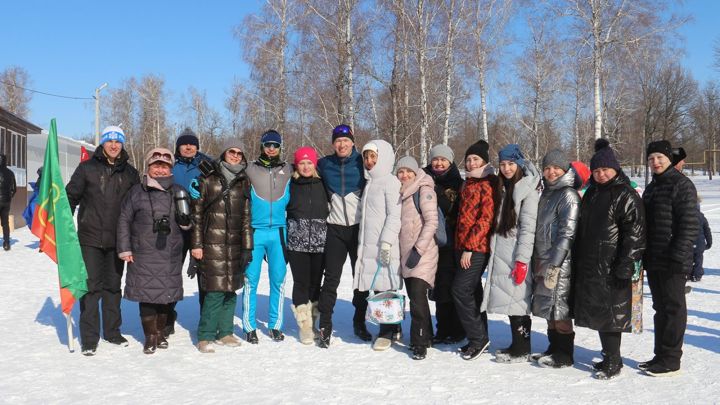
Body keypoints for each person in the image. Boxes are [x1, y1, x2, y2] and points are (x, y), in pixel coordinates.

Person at [573, 139, 646, 379]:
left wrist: (627, 262)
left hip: (614, 263)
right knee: (600, 313)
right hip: (593, 263)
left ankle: (614, 360)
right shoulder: (592, 192)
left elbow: (635, 233)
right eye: (596, 170)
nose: (601, 174)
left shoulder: (625, 194)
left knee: (612, 314)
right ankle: (608, 355)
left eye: (605, 169)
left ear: (615, 169)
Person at [66, 126, 140, 355]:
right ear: (103, 143)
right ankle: (89, 338)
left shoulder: (130, 173)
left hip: (118, 240)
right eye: (110, 141)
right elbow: (70, 197)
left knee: (112, 288)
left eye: (118, 142)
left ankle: (112, 332)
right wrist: (62, 228)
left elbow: (136, 206)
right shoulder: (86, 168)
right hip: (90, 239)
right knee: (90, 288)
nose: (114, 145)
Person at [116, 148, 190, 354]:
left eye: (164, 166)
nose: (160, 169)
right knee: (147, 295)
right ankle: (150, 336)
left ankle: (160, 332)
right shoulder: (137, 192)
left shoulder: (179, 191)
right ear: (148, 167)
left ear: (170, 169)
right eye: (156, 165)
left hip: (170, 253)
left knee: (166, 296)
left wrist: (186, 224)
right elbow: (124, 219)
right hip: (143, 253)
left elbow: (190, 223)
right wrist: (125, 248)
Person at [641, 140, 699, 376]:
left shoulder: (682, 185)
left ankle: (671, 359)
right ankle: (660, 355)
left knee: (673, 308)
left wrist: (678, 255)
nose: (655, 162)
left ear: (670, 159)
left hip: (673, 259)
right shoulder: (652, 187)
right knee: (660, 308)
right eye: (651, 159)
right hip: (654, 257)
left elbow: (689, 224)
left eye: (660, 158)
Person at [191, 141, 253, 353]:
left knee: (231, 291)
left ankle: (225, 332)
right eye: (231, 152)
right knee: (215, 292)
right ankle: (205, 335)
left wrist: (247, 247)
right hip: (212, 244)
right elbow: (197, 215)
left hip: (234, 244)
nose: (235, 156)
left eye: (239, 153)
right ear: (224, 154)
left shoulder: (244, 181)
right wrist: (196, 245)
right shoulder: (208, 178)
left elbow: (246, 217)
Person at [481, 144, 540, 363]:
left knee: (518, 301)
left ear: (520, 164)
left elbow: (528, 228)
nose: (506, 168)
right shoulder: (503, 187)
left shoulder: (528, 190)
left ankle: (522, 347)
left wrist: (522, 260)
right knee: (511, 300)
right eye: (503, 164)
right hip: (502, 252)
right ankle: (517, 344)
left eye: (511, 164)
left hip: (516, 254)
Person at [316, 124, 368, 346]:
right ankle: (325, 325)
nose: (342, 144)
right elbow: (303, 167)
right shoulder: (324, 164)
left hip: (359, 229)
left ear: (353, 142)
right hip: (335, 229)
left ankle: (360, 322)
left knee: (361, 279)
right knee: (331, 279)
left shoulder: (363, 163)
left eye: (346, 140)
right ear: (333, 144)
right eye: (338, 140)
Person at [531, 149, 580, 368]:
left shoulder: (568, 194)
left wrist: (555, 265)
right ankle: (553, 348)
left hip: (559, 263)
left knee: (559, 309)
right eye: (548, 168)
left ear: (565, 170)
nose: (551, 172)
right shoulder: (547, 193)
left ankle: (565, 354)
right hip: (543, 259)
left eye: (556, 168)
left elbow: (567, 233)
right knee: (549, 308)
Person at [243, 130, 293, 343]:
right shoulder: (250, 169)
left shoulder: (289, 169)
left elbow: (315, 175)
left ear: (280, 147)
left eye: (275, 145)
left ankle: (275, 325)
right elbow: (224, 175)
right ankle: (249, 326)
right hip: (256, 231)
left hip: (279, 233)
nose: (271, 148)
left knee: (278, 280)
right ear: (261, 146)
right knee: (250, 280)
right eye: (267, 144)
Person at [354, 139, 402, 351]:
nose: (369, 161)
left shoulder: (390, 182)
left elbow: (395, 215)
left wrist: (386, 243)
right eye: (366, 157)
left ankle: (387, 332)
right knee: (379, 286)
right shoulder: (370, 182)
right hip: (369, 244)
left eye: (373, 156)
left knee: (385, 286)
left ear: (382, 157)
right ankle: (394, 326)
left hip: (384, 245)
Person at [453, 139, 498, 361]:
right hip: (461, 246)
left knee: (460, 290)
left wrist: (470, 248)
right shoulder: (468, 182)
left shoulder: (487, 184)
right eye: (468, 159)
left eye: (476, 159)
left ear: (484, 162)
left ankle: (479, 339)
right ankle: (479, 338)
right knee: (473, 292)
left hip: (476, 248)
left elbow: (485, 219)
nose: (471, 163)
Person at [169, 127, 212, 336]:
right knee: (171, 273)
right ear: (178, 147)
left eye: (192, 144)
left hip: (200, 226)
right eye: (184, 144)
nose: (188, 147)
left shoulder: (205, 165)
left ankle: (206, 320)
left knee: (204, 275)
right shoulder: (170, 164)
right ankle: (167, 316)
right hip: (174, 227)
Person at [396, 156, 439, 360]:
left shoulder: (424, 190)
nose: (404, 175)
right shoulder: (401, 193)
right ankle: (427, 334)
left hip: (423, 253)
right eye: (400, 172)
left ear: (415, 173)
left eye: (408, 172)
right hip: (406, 254)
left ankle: (419, 341)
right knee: (415, 297)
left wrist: (419, 250)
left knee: (417, 298)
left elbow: (432, 222)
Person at [423, 145, 465, 344]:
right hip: (430, 243)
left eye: (443, 160)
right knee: (438, 288)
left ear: (450, 161)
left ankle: (457, 329)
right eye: (435, 159)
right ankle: (442, 329)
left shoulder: (459, 184)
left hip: (453, 243)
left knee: (452, 287)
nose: (439, 163)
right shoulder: (423, 181)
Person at [286, 146, 329, 345]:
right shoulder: (291, 184)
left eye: (309, 162)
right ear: (296, 165)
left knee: (315, 283)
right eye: (302, 163)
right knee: (301, 283)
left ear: (315, 164)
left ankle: (313, 320)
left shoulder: (323, 183)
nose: (305, 166)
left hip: (320, 241)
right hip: (297, 243)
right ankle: (304, 325)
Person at [691, 199, 712, 282]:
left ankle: (689, 274)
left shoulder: (685, 216)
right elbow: (707, 230)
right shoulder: (702, 217)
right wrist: (709, 242)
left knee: (689, 259)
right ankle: (697, 275)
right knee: (698, 260)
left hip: (689, 242)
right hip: (700, 243)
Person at [0, 153, 16, 251]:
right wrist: (9, 197)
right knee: (5, 222)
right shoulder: (10, 173)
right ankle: (6, 243)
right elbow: (14, 189)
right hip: (6, 201)